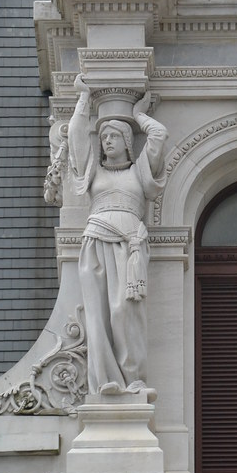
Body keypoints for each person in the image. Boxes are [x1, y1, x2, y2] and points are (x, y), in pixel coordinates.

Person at [68, 75, 168, 396]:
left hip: (130, 248)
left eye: (114, 136)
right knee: (98, 316)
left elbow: (158, 133)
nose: (107, 140)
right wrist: (84, 98)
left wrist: (138, 113)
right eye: (105, 136)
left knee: (125, 313)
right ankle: (104, 381)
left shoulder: (139, 171)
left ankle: (133, 379)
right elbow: (75, 138)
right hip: (96, 241)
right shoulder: (93, 171)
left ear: (127, 141)